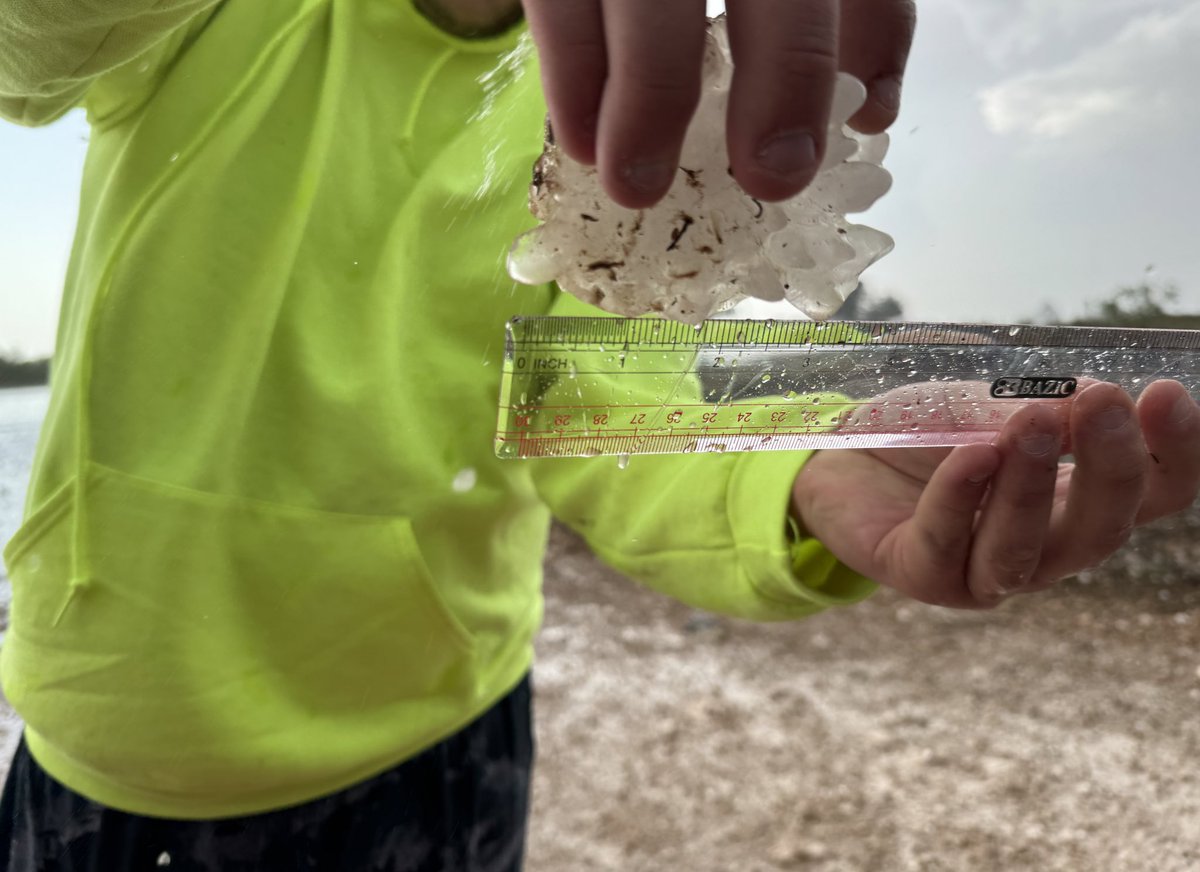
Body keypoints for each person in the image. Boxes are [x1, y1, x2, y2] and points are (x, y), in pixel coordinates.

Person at [0, 0, 1196, 869]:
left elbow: (594, 399)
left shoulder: (615, 103)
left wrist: (796, 460)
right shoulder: (199, 24)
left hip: (455, 721)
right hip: (127, 732)